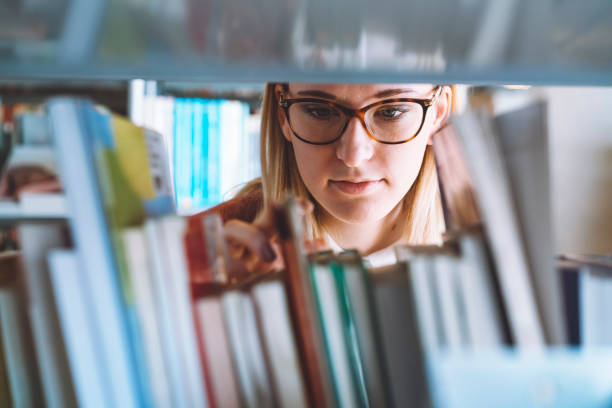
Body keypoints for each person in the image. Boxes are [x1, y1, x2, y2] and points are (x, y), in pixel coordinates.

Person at [188, 82, 452, 276]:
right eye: (320, 111)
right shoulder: (209, 250)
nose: (353, 155)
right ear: (283, 115)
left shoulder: (482, 245)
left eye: (391, 112)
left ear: (438, 114)